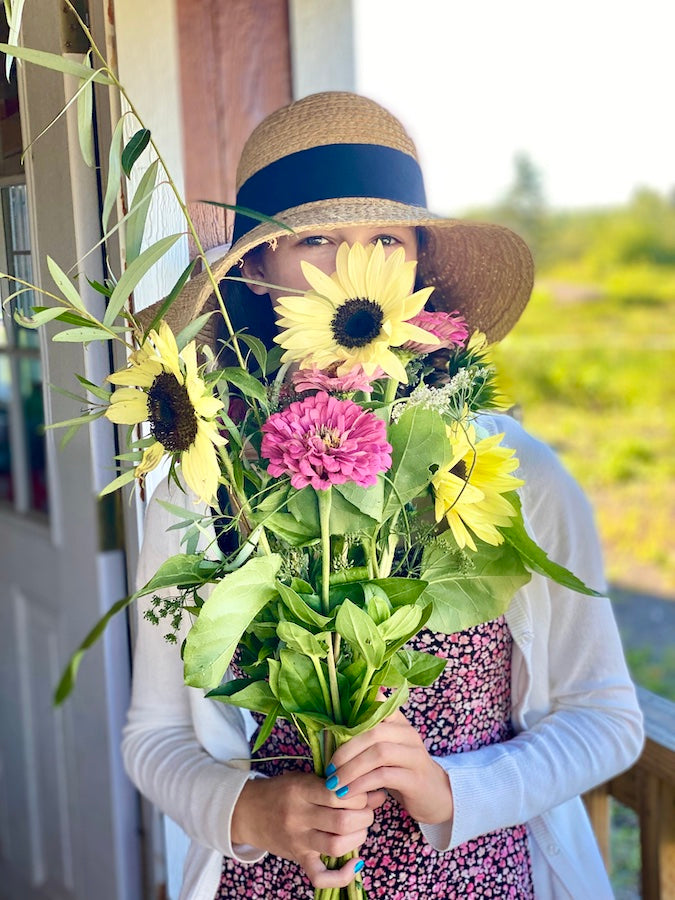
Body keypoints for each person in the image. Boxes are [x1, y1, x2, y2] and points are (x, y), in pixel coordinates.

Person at [123, 92, 643, 899]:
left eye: (385, 240)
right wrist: (250, 813)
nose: (349, 271)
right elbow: (153, 736)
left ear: (415, 268)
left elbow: (606, 719)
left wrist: (452, 790)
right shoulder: (201, 492)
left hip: (481, 879)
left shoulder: (512, 478)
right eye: (317, 239)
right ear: (255, 270)